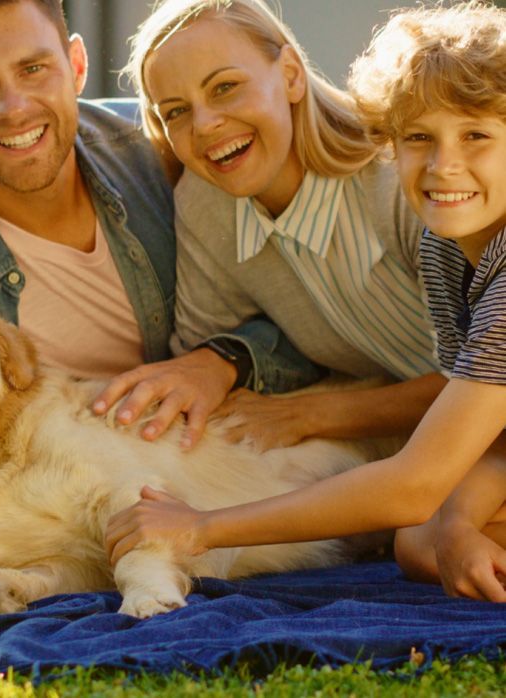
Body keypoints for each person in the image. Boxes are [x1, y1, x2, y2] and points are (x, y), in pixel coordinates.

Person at [105, 0, 506, 602]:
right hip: (477, 448)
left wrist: (202, 529)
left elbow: (414, 482)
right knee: (422, 543)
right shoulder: (451, 248)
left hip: (429, 458)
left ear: (292, 73)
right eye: (420, 138)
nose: (443, 164)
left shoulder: (421, 211)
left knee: (429, 521)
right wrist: (456, 523)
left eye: (475, 136)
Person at [0, 0, 181, 580]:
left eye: (33, 69)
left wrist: (224, 361)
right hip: (80, 488)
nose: (13, 108)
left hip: (218, 453)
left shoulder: (166, 151)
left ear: (76, 65)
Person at [92, 0, 446, 454]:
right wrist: (216, 364)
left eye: (225, 87)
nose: (205, 124)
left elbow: (488, 373)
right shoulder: (207, 210)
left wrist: (309, 416)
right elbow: (209, 357)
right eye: (176, 112)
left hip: (482, 415)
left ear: (292, 75)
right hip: (419, 445)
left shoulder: (399, 173)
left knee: (429, 528)